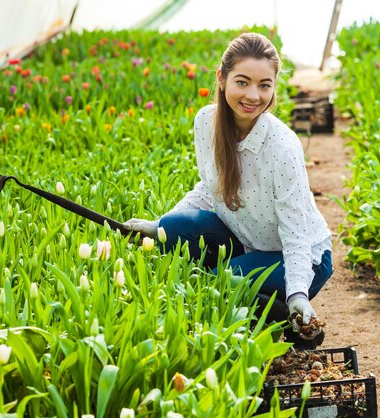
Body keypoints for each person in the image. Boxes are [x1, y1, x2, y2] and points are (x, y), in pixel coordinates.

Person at [124, 32, 333, 349]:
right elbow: (209, 190)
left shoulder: (282, 146)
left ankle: (291, 321)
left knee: (226, 280)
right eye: (243, 82)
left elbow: (296, 233)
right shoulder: (206, 122)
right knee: (174, 229)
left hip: (303, 257)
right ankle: (249, 300)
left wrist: (298, 294)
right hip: (249, 240)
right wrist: (159, 225)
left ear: (274, 87)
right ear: (222, 79)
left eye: (264, 85)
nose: (253, 95)